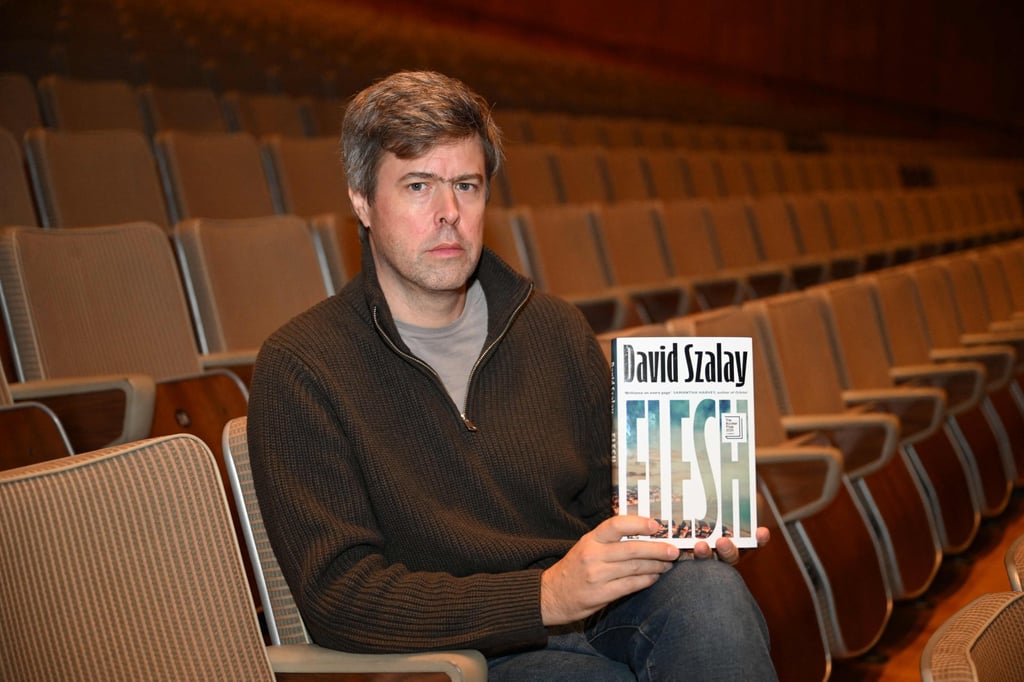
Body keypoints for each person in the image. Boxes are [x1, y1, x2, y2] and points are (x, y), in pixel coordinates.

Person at [247, 70, 777, 681]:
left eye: (466, 186)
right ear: (362, 202)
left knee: (712, 596)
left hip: (593, 608)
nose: (449, 213)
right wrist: (542, 597)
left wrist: (685, 528)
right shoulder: (302, 367)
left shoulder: (554, 328)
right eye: (418, 186)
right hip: (459, 656)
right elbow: (340, 599)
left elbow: (608, 505)